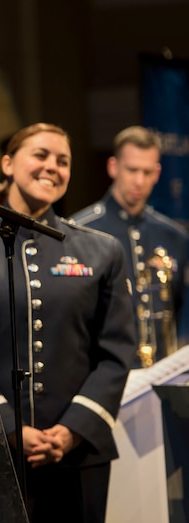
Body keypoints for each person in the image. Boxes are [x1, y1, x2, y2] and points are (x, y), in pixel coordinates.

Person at [0, 122, 136, 523]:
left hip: (78, 454)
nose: (52, 167)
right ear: (8, 163)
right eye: (41, 155)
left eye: (63, 161)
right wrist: (7, 427)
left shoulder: (103, 250)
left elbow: (116, 354)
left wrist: (72, 430)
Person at [70, 125, 188, 367]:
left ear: (157, 173)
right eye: (132, 170)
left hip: (164, 374)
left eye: (147, 172)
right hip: (100, 374)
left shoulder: (174, 236)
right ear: (113, 167)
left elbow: (181, 309)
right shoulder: (78, 232)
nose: (139, 181)